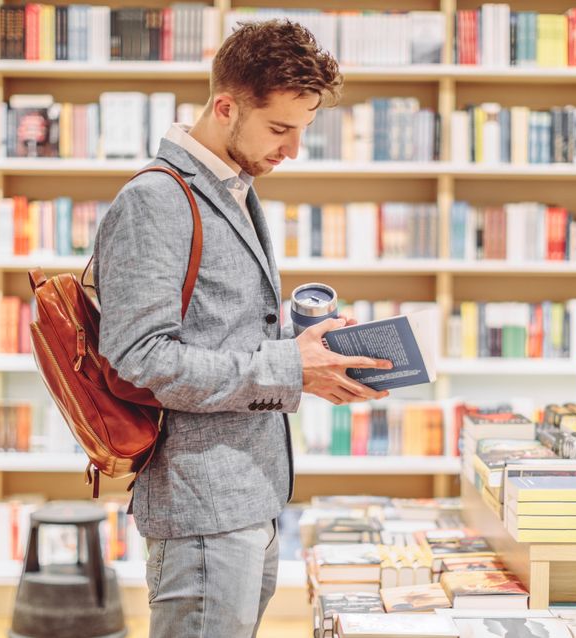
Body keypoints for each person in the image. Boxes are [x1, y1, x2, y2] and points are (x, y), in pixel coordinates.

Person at [93, 18, 393, 638]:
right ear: (225, 107)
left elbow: (219, 332)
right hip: (201, 503)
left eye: (302, 130)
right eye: (281, 129)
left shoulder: (231, 189)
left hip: (250, 494)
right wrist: (289, 367)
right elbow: (141, 359)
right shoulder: (156, 199)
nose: (292, 149)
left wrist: (312, 353)